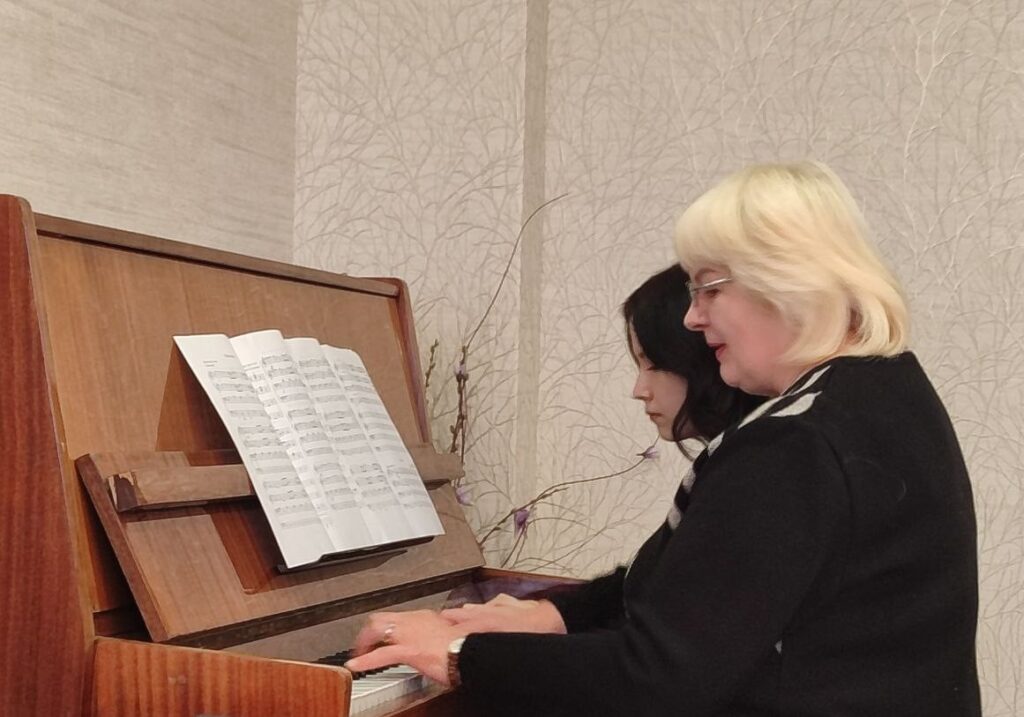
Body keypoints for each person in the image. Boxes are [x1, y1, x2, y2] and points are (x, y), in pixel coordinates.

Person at [348, 161, 982, 717]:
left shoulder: (795, 443)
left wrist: (460, 654)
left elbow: (655, 680)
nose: (692, 317)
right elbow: (703, 586)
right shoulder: (884, 391)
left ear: (786, 284)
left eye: (709, 288)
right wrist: (557, 614)